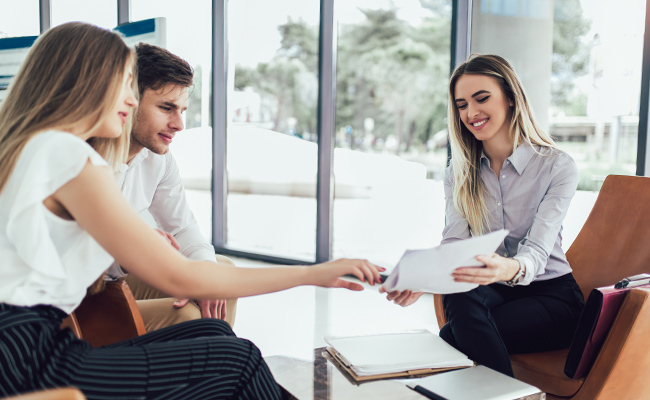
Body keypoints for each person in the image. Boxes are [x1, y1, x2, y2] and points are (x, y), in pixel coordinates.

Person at [0, 22, 382, 399]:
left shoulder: (36, 148)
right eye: (123, 86)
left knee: (212, 333)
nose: (130, 101)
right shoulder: (68, 155)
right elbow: (179, 275)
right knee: (239, 360)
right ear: (85, 84)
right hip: (33, 363)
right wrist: (313, 273)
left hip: (23, 352)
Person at [379, 54, 585, 377]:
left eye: (481, 98)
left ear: (511, 98)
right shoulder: (459, 173)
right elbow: (455, 243)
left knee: (452, 336)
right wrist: (425, 277)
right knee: (459, 290)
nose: (471, 113)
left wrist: (507, 267)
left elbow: (538, 253)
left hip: (553, 297)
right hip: (495, 289)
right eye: (461, 104)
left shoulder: (557, 167)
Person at [107, 43, 235, 331]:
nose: (179, 124)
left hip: (115, 276)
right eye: (166, 108)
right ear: (128, 100)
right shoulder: (88, 159)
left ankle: (216, 367)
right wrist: (134, 248)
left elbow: (182, 228)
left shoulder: (158, 159)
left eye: (182, 110)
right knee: (187, 317)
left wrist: (205, 273)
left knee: (220, 275)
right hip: (83, 294)